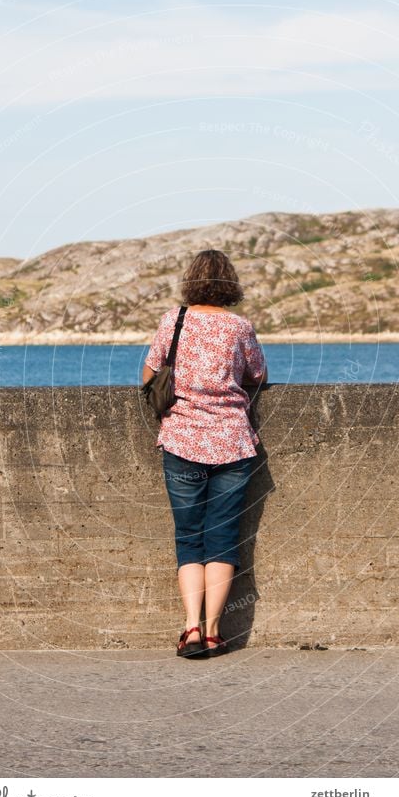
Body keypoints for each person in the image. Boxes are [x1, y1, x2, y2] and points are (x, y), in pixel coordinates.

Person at [141, 248, 268, 658]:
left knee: (189, 537)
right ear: (230, 283)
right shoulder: (239, 327)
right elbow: (258, 375)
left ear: (190, 280)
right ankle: (214, 631)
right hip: (232, 442)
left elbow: (148, 374)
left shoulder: (173, 321)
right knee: (223, 538)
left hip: (182, 441)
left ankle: (190, 628)